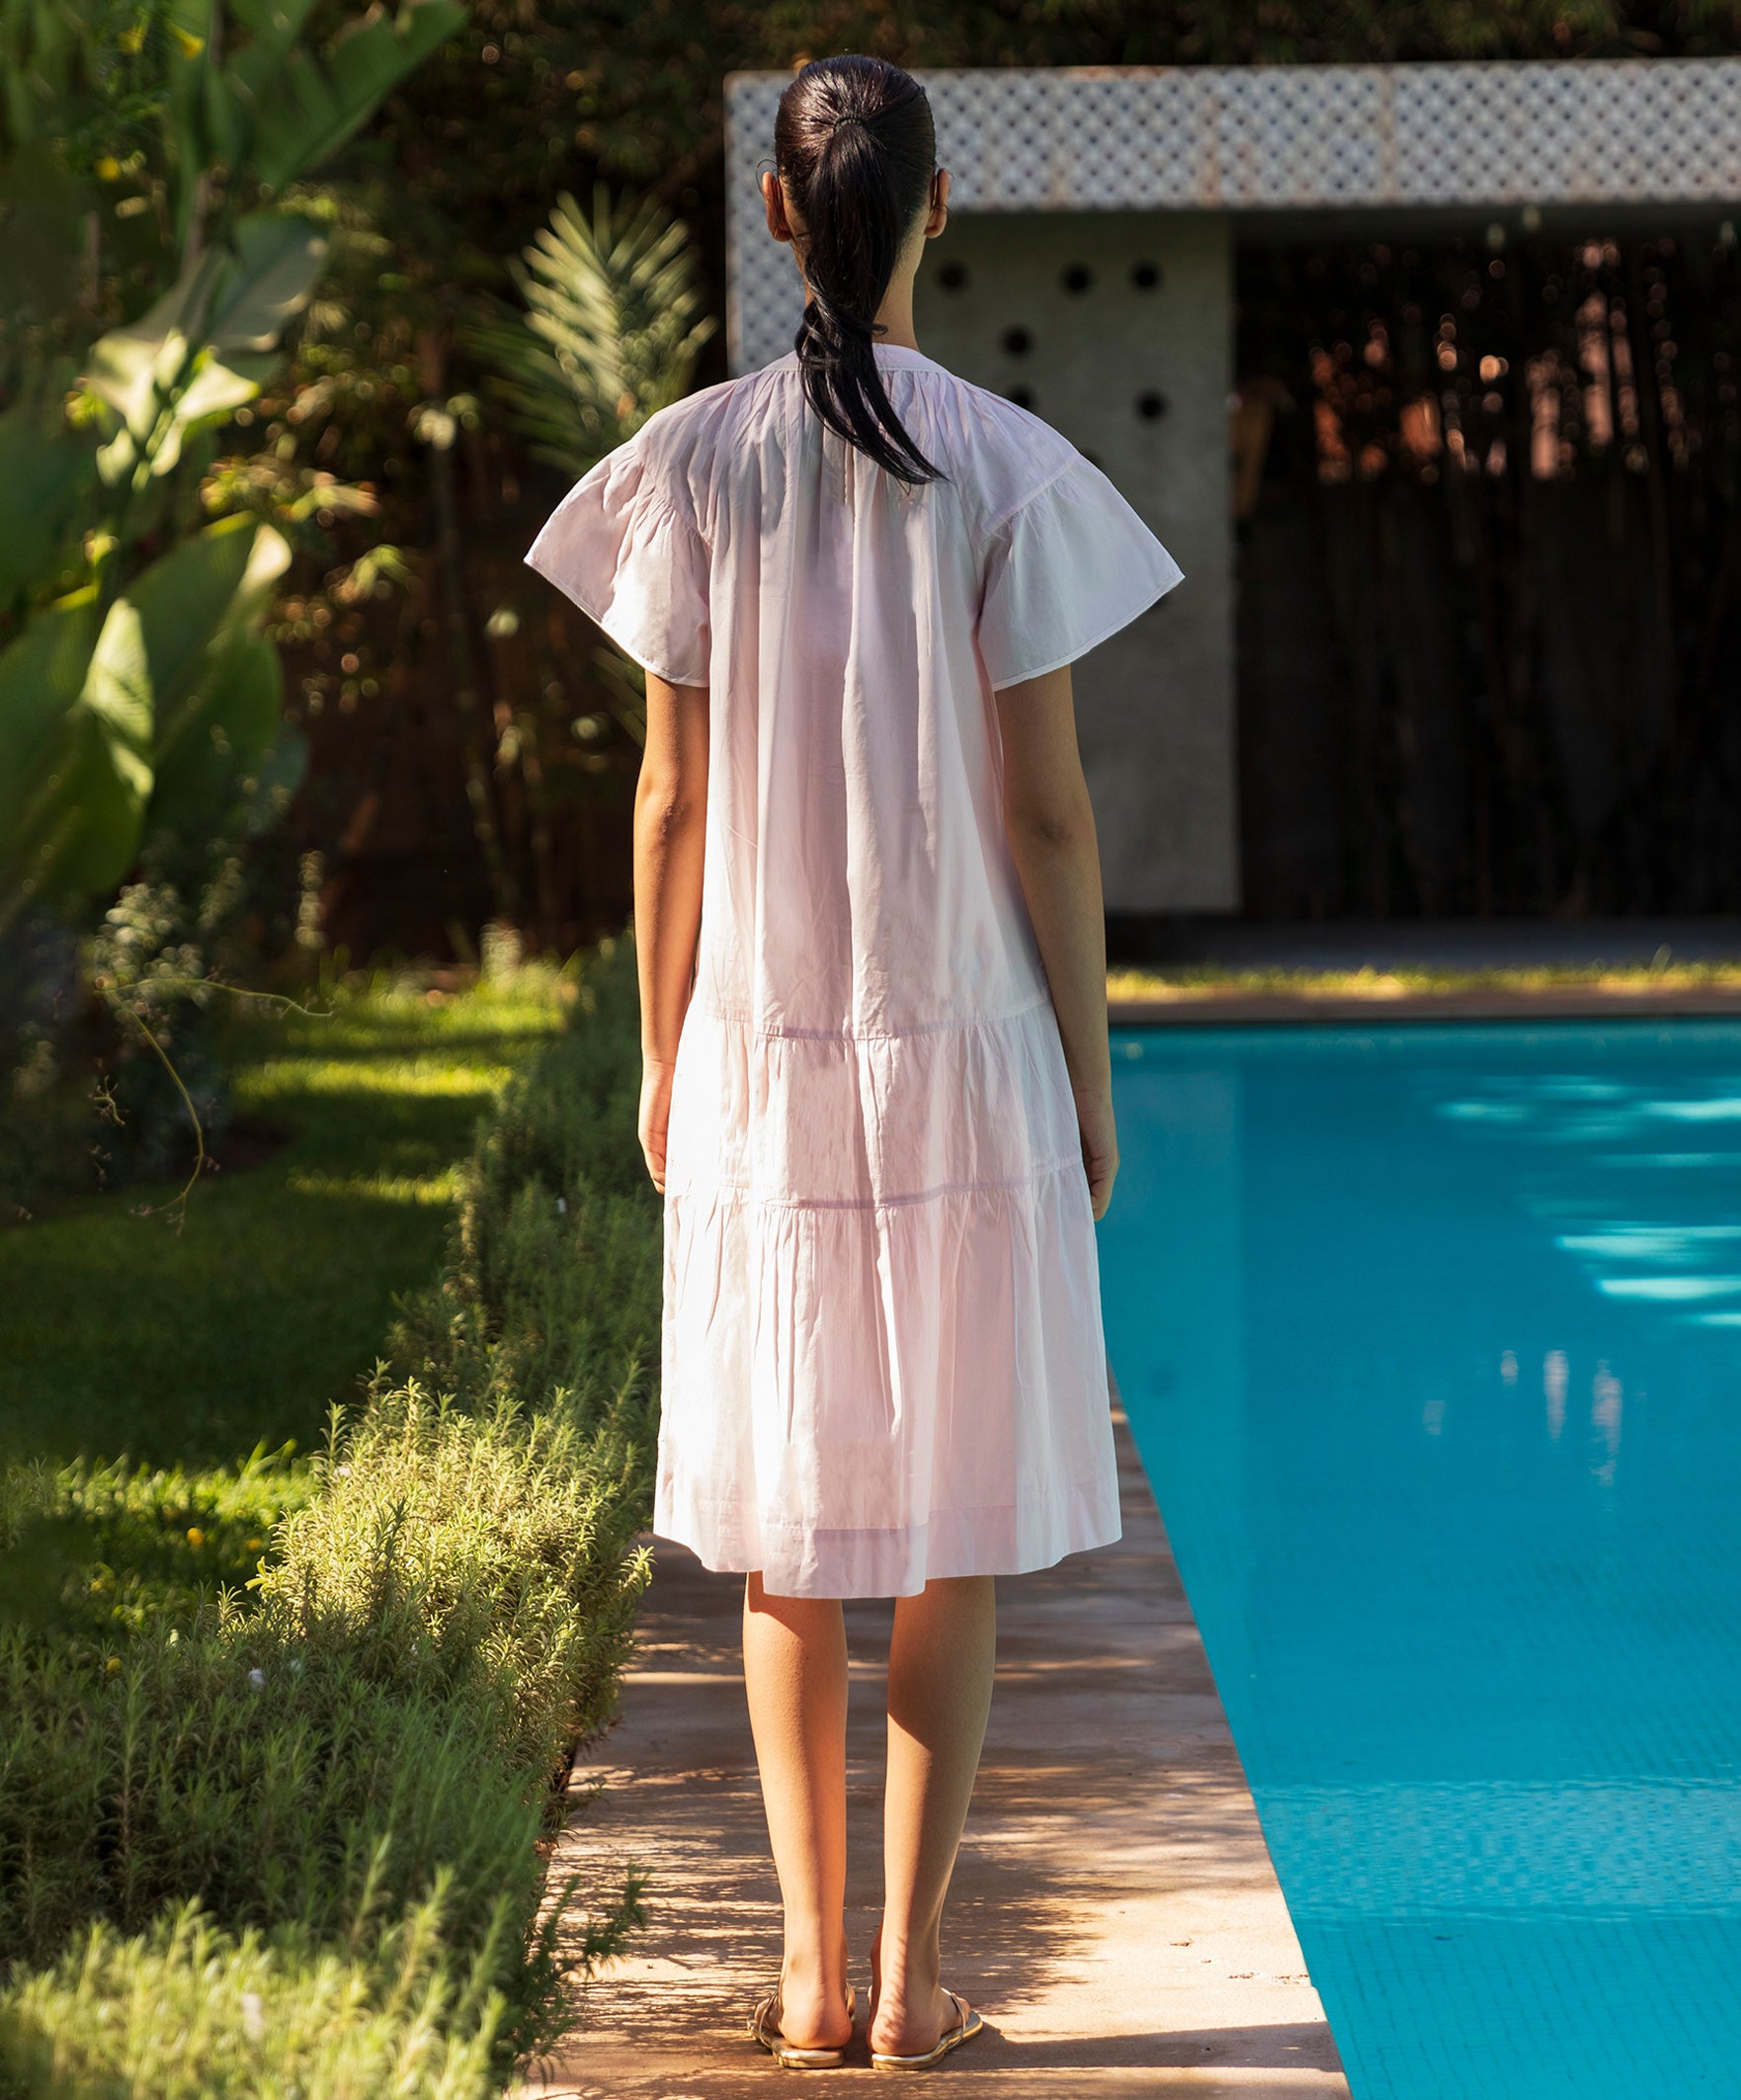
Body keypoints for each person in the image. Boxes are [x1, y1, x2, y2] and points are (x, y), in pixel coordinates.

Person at [525, 52, 1184, 2073]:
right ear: (937, 208)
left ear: (777, 213)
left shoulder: (691, 465)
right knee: (952, 1518)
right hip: (968, 1037)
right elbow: (1051, 816)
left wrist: (654, 1055)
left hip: (757, 1049)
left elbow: (664, 804)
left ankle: (803, 1982)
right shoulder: (1001, 466)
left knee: (784, 1524)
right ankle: (909, 1991)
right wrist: (1087, 1075)